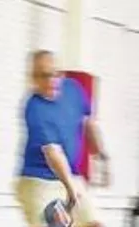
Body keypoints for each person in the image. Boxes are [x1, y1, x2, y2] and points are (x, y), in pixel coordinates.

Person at [15, 50, 109, 227]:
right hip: (39, 182)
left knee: (95, 225)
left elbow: (88, 123)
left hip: (71, 177)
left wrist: (101, 155)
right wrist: (71, 190)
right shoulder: (34, 108)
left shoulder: (73, 89)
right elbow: (54, 154)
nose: (51, 80)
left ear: (62, 73)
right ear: (33, 79)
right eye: (44, 75)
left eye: (55, 74)